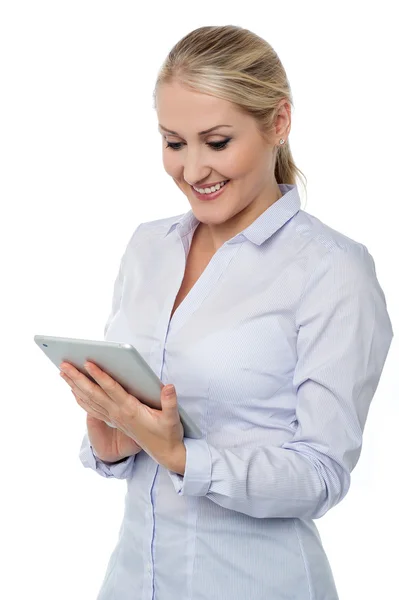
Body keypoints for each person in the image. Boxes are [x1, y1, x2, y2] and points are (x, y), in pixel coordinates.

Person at [61, 25, 394, 600]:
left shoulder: (332, 270)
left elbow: (322, 473)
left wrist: (182, 455)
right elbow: (141, 419)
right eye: (173, 142)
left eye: (216, 143)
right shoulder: (148, 247)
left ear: (278, 124)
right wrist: (117, 441)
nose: (192, 171)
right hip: (133, 582)